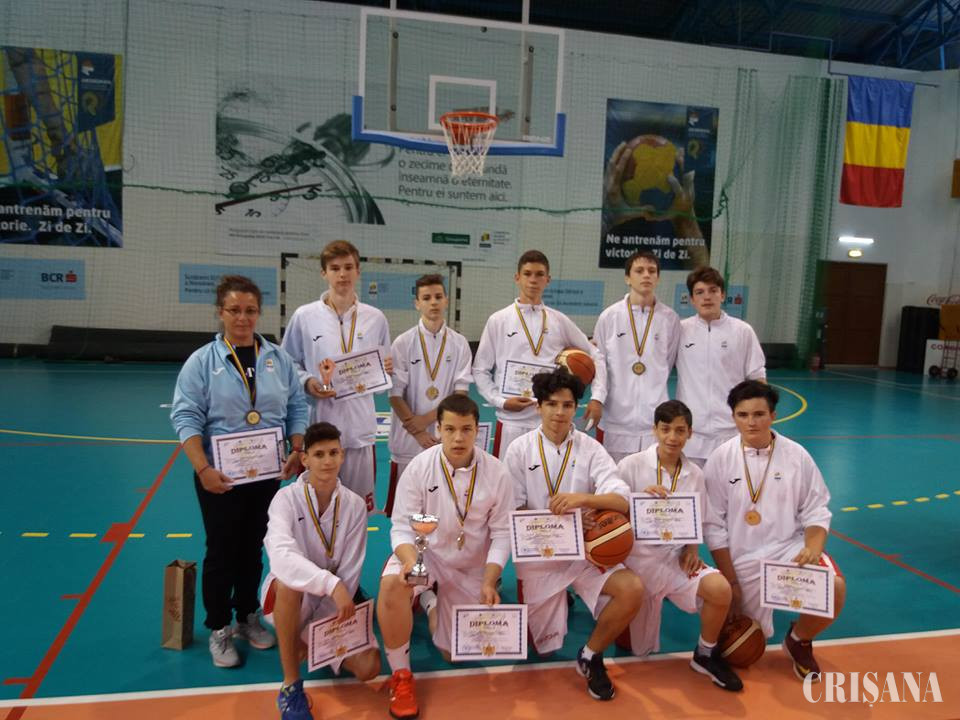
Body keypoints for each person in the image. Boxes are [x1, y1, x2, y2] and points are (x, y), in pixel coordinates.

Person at [171, 275, 309, 668]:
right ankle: (218, 626)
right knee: (221, 550)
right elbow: (185, 417)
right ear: (220, 312)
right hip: (220, 476)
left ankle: (247, 615)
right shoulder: (202, 362)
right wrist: (203, 469)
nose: (242, 318)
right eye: (234, 310)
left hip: (266, 474)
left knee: (253, 547)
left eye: (250, 310)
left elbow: (297, 407)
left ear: (258, 313)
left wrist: (297, 448)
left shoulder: (278, 359)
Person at [504, 369, 644, 701]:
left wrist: (584, 500)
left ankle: (591, 655)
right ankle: (558, 600)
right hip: (540, 556)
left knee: (632, 589)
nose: (559, 412)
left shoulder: (590, 448)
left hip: (585, 552)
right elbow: (513, 510)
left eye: (567, 405)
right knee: (541, 649)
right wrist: (555, 527)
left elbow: (622, 499)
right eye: (552, 404)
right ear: (538, 406)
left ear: (575, 408)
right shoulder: (518, 450)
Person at [376, 393, 514, 720]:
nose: (458, 438)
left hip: (469, 566)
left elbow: (502, 534)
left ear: (478, 430)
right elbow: (401, 527)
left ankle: (431, 602)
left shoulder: (497, 473)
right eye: (450, 429)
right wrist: (409, 561)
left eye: (466, 429)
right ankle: (401, 676)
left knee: (453, 654)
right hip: (426, 557)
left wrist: (490, 580)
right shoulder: (419, 468)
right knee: (393, 586)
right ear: (438, 429)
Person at [704, 380, 847, 681]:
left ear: (773, 415)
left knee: (833, 588)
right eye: (743, 415)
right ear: (733, 417)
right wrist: (731, 581)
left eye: (759, 414)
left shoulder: (797, 456)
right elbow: (713, 526)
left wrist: (813, 548)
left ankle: (798, 640)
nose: (751, 422)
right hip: (742, 560)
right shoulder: (720, 459)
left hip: (788, 552)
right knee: (740, 648)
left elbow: (816, 509)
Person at [616, 400, 742, 691]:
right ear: (654, 430)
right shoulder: (630, 465)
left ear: (690, 433)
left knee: (719, 589)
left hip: (674, 559)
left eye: (680, 430)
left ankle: (705, 654)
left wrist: (693, 549)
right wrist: (637, 499)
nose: (672, 437)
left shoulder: (695, 473)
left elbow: (698, 517)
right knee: (636, 650)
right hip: (635, 561)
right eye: (666, 429)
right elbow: (611, 511)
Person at [261, 422, 380, 720]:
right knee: (288, 584)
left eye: (333, 453)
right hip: (292, 599)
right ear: (305, 459)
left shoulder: (353, 505)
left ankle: (313, 644)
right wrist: (330, 584)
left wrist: (317, 631)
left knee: (369, 668)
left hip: (333, 604)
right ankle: (291, 686)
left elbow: (350, 572)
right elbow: (281, 557)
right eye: (319, 454)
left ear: (342, 456)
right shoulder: (285, 499)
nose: (327, 461)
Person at [281, 240, 391, 513]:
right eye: (335, 268)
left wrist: (385, 372)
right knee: (314, 511)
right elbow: (287, 363)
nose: (342, 274)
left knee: (357, 512)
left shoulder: (376, 318)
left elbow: (382, 379)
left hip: (359, 433)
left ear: (358, 271)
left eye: (348, 267)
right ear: (324, 273)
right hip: (319, 427)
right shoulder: (304, 316)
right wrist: (308, 382)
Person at [473, 249, 604, 459]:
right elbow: (480, 370)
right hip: (510, 421)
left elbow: (595, 355)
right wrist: (500, 401)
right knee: (506, 478)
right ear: (517, 277)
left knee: (550, 477)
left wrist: (597, 397)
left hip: (548, 421)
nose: (533, 280)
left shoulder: (558, 320)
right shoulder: (498, 320)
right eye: (527, 274)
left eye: (539, 274)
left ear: (548, 280)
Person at [385, 274, 473, 515]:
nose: (433, 302)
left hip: (444, 438)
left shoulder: (460, 344)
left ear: (446, 300)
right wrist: (418, 432)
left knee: (444, 510)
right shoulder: (403, 342)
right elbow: (395, 395)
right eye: (426, 298)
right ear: (417, 303)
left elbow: (461, 396)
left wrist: (424, 421)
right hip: (408, 440)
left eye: (437, 297)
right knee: (404, 512)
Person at [592, 250, 680, 462]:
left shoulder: (670, 319)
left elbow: (667, 363)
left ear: (658, 278)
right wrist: (597, 399)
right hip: (615, 421)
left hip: (655, 422)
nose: (646, 275)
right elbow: (599, 365)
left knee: (653, 480)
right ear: (627, 278)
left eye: (652, 271)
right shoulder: (609, 317)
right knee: (612, 479)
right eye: (639, 271)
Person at [675, 266, 766, 464]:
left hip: (731, 432)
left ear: (723, 295)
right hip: (691, 434)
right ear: (691, 299)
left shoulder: (742, 331)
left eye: (713, 290)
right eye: (700, 292)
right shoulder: (680, 330)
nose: (707, 297)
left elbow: (758, 379)